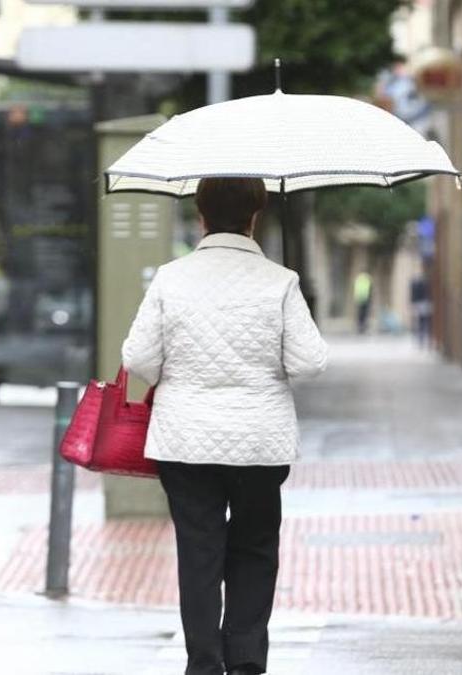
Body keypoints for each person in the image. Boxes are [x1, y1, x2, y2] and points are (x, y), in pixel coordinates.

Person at [122, 177, 329, 675]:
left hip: (185, 440)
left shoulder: (171, 278)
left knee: (198, 551)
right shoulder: (280, 281)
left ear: (201, 216)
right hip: (260, 441)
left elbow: (138, 358)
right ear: (255, 217)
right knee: (256, 547)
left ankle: (204, 663)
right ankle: (247, 661)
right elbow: (309, 362)